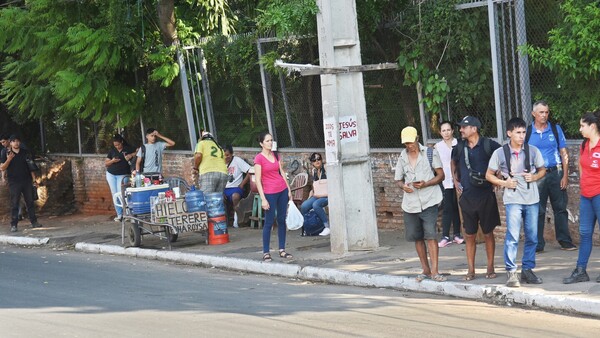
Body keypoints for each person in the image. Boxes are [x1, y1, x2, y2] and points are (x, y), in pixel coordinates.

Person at [486, 118, 546, 287]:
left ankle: (527, 269)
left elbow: (543, 170)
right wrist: (504, 183)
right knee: (512, 235)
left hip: (532, 198)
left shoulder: (532, 151)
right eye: (518, 133)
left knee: (532, 236)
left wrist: (534, 177)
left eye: (523, 132)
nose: (521, 136)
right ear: (509, 133)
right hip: (513, 199)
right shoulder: (500, 153)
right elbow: (489, 175)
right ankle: (511, 271)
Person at [451, 116, 502, 281]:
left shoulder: (489, 145)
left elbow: (503, 159)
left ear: (474, 129)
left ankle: (490, 267)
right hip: (467, 197)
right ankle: (471, 269)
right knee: (469, 234)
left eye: (464, 127)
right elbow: (453, 163)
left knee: (488, 233)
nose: (461, 130)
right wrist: (455, 180)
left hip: (486, 195)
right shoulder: (458, 147)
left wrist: (498, 179)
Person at [395, 126, 446, 282]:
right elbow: (398, 179)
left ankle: (435, 271)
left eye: (411, 142)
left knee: (430, 235)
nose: (409, 146)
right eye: (406, 143)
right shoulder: (402, 156)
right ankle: (425, 269)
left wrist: (426, 183)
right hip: (410, 203)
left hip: (429, 199)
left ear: (417, 139)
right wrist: (403, 186)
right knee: (417, 237)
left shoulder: (430, 153)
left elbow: (441, 175)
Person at [526, 100, 576, 252]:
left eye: (546, 112)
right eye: (541, 112)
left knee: (560, 208)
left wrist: (565, 175)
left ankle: (565, 241)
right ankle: (538, 244)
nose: (544, 115)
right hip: (537, 176)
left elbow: (563, 153)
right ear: (534, 114)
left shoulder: (555, 129)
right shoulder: (527, 132)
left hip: (556, 173)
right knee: (538, 210)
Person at [563, 111, 600, 284]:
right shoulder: (584, 145)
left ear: (592, 126)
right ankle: (580, 271)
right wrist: (585, 183)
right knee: (585, 233)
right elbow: (581, 165)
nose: (580, 129)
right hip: (586, 196)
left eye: (582, 126)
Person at [254, 132, 293, 262]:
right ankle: (266, 252)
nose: (270, 143)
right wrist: (263, 198)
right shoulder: (259, 158)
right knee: (269, 222)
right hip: (269, 192)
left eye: (271, 140)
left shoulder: (276, 155)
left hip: (281, 189)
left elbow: (282, 172)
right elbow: (258, 180)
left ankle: (282, 249)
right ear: (261, 143)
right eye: (267, 141)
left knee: (281, 220)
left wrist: (288, 189)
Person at [0, 135, 42, 232]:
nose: (16, 143)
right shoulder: (5, 153)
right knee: (15, 203)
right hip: (14, 182)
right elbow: (2, 168)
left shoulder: (25, 153)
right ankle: (14, 224)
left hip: (26, 180)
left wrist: (34, 180)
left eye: (18, 141)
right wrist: (9, 159)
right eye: (14, 141)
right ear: (10, 143)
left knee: (30, 202)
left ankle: (34, 222)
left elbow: (31, 167)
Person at [435, 121, 463, 247]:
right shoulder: (438, 147)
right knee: (447, 208)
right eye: (443, 130)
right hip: (445, 181)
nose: (446, 133)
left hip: (458, 180)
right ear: (440, 132)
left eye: (448, 130)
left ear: (452, 131)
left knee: (457, 208)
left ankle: (457, 234)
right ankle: (445, 236)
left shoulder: (459, 143)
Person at [105, 134, 136, 222]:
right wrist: (112, 161)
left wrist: (131, 155)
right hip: (111, 174)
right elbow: (106, 163)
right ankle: (119, 214)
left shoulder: (128, 148)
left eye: (118, 145)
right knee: (114, 194)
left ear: (121, 142)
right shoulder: (112, 151)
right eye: (115, 145)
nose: (117, 147)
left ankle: (127, 213)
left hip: (122, 174)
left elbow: (139, 150)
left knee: (121, 193)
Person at [301, 152, 330, 236]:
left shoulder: (326, 168)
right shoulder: (313, 171)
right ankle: (309, 227)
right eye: (314, 160)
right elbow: (314, 187)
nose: (317, 161)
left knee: (316, 204)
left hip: (326, 195)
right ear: (312, 163)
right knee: (304, 206)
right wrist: (310, 196)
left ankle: (326, 226)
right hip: (317, 195)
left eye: (319, 159)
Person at [223, 145, 251, 227]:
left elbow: (250, 171)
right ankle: (224, 222)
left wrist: (242, 184)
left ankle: (237, 220)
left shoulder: (237, 161)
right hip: (224, 189)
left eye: (228, 155)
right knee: (219, 199)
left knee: (235, 197)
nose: (226, 157)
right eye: (224, 155)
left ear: (232, 154)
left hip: (236, 188)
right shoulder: (219, 162)